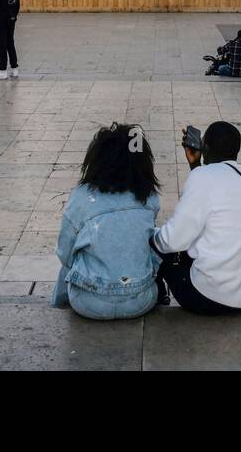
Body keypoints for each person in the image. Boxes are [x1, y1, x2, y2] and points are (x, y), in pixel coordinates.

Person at [152, 121, 241, 314]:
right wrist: (195, 165)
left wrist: (151, 237)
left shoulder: (202, 177)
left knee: (158, 245)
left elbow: (171, 240)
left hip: (209, 298)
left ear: (204, 147)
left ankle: (157, 297)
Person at [52, 123, 161, 320]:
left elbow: (64, 252)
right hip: (142, 300)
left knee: (70, 261)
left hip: (89, 302)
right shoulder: (149, 197)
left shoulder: (82, 197)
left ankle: (59, 304)